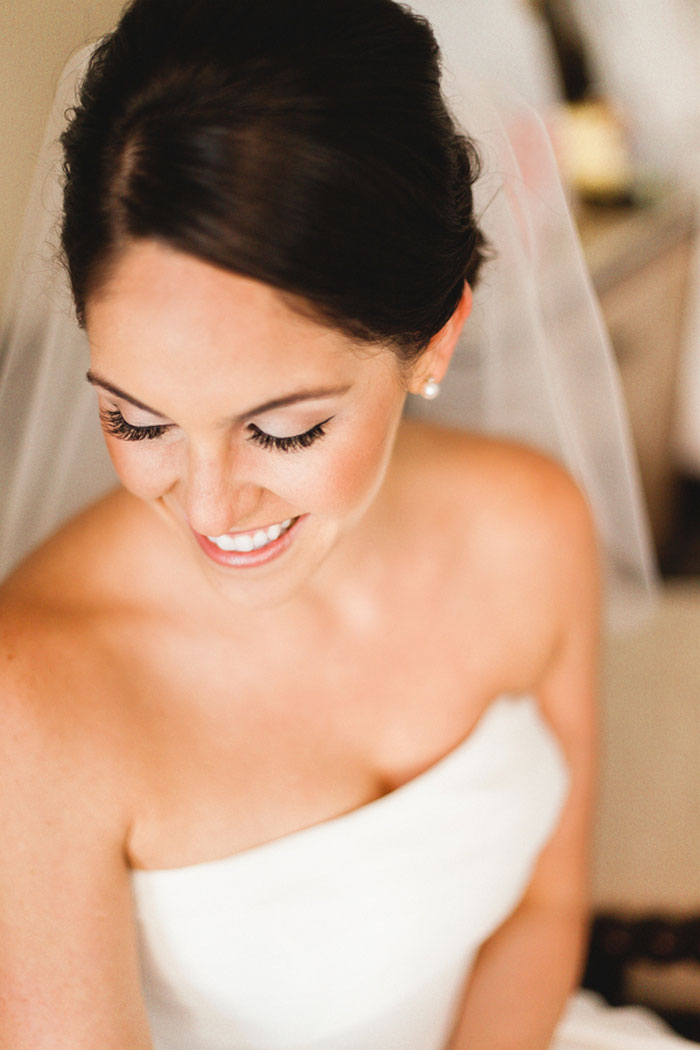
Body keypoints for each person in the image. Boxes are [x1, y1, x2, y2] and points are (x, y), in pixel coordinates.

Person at [0, 1, 688, 1048]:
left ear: (433, 340)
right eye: (135, 419)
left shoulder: (531, 528)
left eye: (283, 431)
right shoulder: (36, 694)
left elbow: (543, 912)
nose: (210, 503)